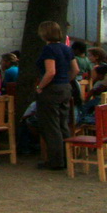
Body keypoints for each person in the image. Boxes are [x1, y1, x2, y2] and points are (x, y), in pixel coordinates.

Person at [34, 20, 79, 172]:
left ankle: (56, 161)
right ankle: (68, 158)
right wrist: (66, 80)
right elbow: (75, 69)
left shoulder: (49, 49)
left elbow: (50, 71)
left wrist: (40, 87)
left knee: (51, 126)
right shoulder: (67, 48)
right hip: (65, 87)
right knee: (63, 123)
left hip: (51, 89)